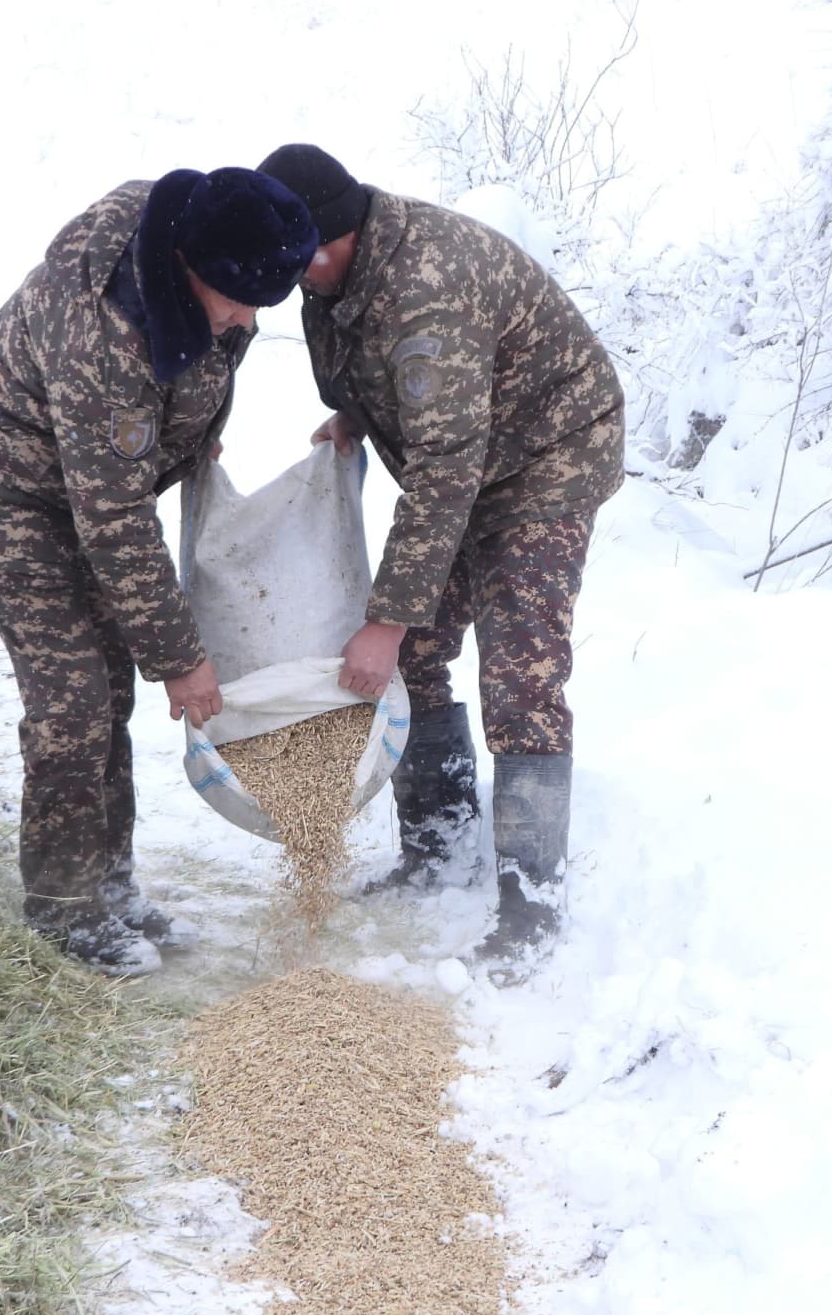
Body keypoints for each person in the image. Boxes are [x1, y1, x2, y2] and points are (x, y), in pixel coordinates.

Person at [0, 167, 316, 975]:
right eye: (240, 302)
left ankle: (109, 882)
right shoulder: (102, 336)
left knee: (107, 683)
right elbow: (112, 518)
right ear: (194, 270)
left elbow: (187, 375)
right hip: (6, 494)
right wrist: (182, 659)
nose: (247, 321)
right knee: (72, 699)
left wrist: (186, 436)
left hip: (90, 481)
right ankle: (64, 911)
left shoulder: (197, 238)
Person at [256, 142, 624, 971]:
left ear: (330, 238)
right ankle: (438, 845)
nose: (292, 281)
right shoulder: (331, 273)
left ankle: (534, 901)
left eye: (297, 263)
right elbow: (366, 366)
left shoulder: (429, 289)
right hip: (463, 458)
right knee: (417, 652)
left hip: (546, 455)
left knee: (520, 671)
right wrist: (355, 412)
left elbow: (445, 469)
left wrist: (384, 620)